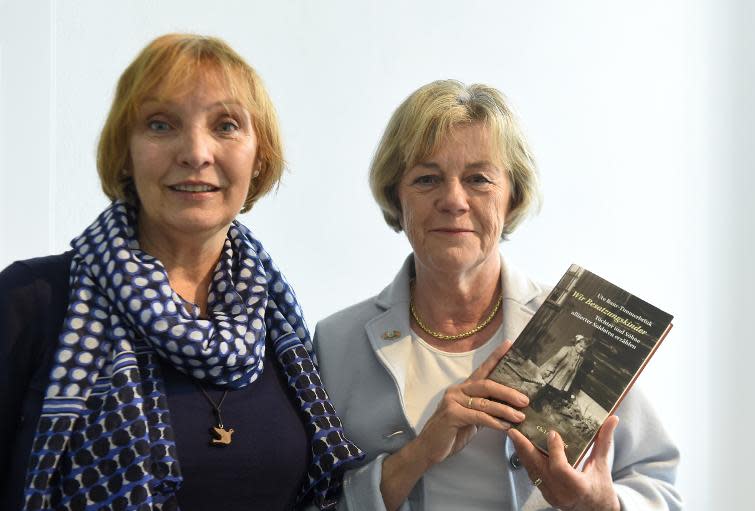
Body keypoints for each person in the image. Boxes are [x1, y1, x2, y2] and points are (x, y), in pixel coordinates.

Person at [0, 34, 362, 511]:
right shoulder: (31, 300)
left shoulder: (278, 321)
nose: (196, 152)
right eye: (160, 124)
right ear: (125, 153)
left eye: (226, 125)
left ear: (260, 159)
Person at [314, 80, 681, 510]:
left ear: (513, 196)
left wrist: (606, 505)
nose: (453, 200)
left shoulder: (584, 319)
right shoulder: (336, 342)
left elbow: (662, 486)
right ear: (397, 196)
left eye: (479, 179)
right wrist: (418, 455)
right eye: (427, 179)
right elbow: (311, 499)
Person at [531, 334, 594, 411]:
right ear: (576, 343)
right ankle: (535, 401)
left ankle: (542, 401)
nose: (581, 350)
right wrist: (549, 370)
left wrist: (569, 381)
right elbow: (555, 360)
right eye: (580, 346)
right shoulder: (567, 349)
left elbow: (575, 369)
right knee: (547, 387)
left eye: (584, 349)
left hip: (564, 378)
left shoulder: (581, 358)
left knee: (553, 390)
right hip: (556, 373)